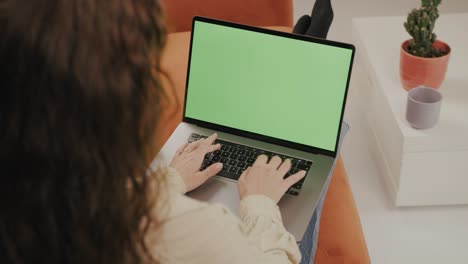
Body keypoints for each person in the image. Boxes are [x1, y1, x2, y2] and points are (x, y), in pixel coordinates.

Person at [0, 0, 331, 263]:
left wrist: (167, 183)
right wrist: (259, 204)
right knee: (330, 137)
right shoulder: (196, 230)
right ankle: (303, 61)